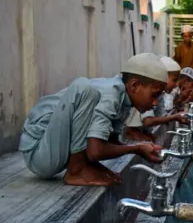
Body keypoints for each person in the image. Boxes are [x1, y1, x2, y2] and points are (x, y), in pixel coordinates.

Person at [18, 53, 168, 186]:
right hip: (38, 152)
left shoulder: (124, 100)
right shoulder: (111, 94)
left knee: (89, 97)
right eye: (154, 95)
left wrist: (140, 148)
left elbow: (109, 143)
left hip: (52, 153)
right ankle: (76, 170)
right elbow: (95, 151)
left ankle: (83, 167)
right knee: (84, 89)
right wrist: (137, 148)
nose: (155, 103)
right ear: (134, 85)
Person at [124, 56, 188, 142]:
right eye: (174, 80)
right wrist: (173, 118)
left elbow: (161, 115)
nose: (177, 84)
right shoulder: (142, 97)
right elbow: (147, 121)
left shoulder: (159, 96)